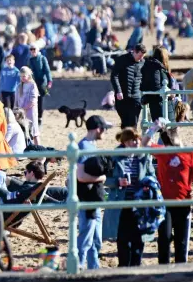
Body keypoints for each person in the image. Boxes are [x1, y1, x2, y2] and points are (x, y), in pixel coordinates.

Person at [140, 121, 193, 264]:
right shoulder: (163, 152)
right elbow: (144, 144)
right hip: (165, 204)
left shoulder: (190, 155)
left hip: (184, 203)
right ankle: (164, 269)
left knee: (181, 241)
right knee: (164, 238)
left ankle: (181, 270)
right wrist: (153, 128)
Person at [101, 128, 157, 267]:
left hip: (140, 202)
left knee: (139, 236)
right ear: (126, 142)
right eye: (134, 140)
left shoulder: (144, 156)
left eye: (138, 139)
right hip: (122, 203)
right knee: (123, 237)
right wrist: (117, 182)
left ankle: (136, 264)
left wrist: (147, 185)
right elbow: (103, 179)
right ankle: (124, 265)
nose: (137, 142)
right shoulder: (114, 157)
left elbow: (152, 176)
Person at [75, 115, 113, 270]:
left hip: (93, 197)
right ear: (98, 129)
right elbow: (81, 176)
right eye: (104, 129)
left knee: (95, 239)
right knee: (86, 236)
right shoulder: (84, 147)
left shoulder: (91, 146)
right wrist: (102, 177)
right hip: (87, 198)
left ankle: (93, 269)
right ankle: (77, 268)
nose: (105, 132)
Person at [111, 43, 146, 128]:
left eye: (143, 56)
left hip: (136, 97)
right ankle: (125, 140)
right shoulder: (121, 60)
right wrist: (118, 91)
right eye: (140, 55)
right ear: (134, 52)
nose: (141, 58)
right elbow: (114, 76)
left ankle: (133, 138)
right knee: (125, 123)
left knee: (133, 123)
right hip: (122, 97)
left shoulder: (143, 62)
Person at [141, 46, 175, 122]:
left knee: (165, 129)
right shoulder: (156, 68)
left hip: (161, 102)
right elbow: (156, 87)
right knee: (164, 128)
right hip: (160, 103)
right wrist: (168, 93)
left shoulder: (156, 67)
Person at [28, 44, 52, 126]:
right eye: (31, 49)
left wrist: (49, 81)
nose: (32, 51)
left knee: (40, 101)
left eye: (34, 49)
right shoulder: (30, 60)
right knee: (33, 100)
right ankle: (34, 117)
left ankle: (40, 118)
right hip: (33, 82)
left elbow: (47, 70)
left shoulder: (42, 58)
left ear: (38, 50)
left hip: (42, 83)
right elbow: (28, 71)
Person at [15, 67, 40, 145]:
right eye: (21, 76)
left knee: (34, 133)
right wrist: (16, 110)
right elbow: (16, 100)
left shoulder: (32, 85)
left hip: (30, 113)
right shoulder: (19, 86)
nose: (22, 78)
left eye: (24, 76)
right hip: (20, 114)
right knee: (23, 132)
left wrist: (23, 109)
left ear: (28, 75)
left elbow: (33, 101)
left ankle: (39, 151)